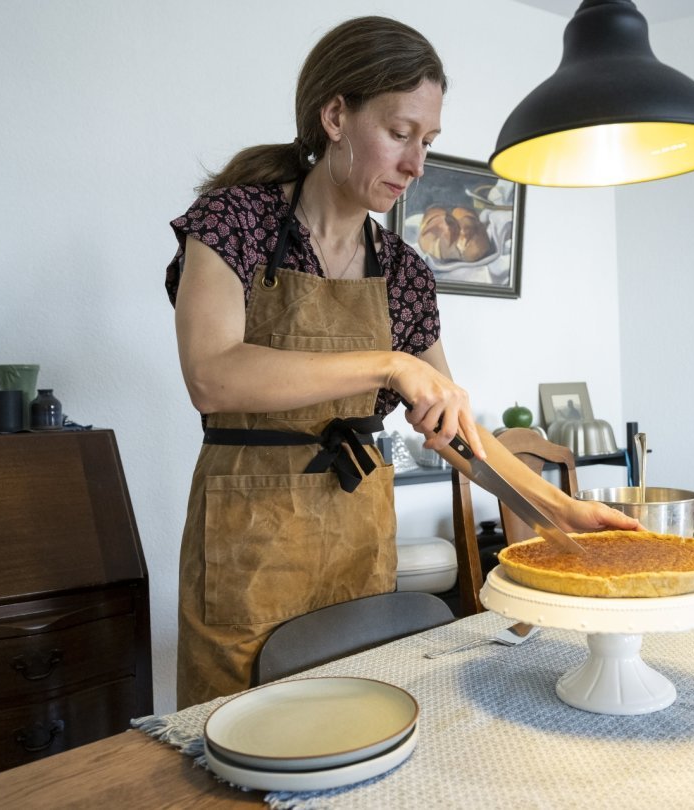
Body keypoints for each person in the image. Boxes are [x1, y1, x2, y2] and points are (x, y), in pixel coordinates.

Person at [165, 15, 640, 708]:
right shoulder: (235, 222)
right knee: (233, 742)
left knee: (352, 727)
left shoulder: (405, 274)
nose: (417, 164)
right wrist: (387, 363)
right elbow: (213, 375)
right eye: (400, 133)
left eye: (429, 140)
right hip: (244, 544)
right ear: (335, 115)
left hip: (357, 534)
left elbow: (452, 426)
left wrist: (558, 507)